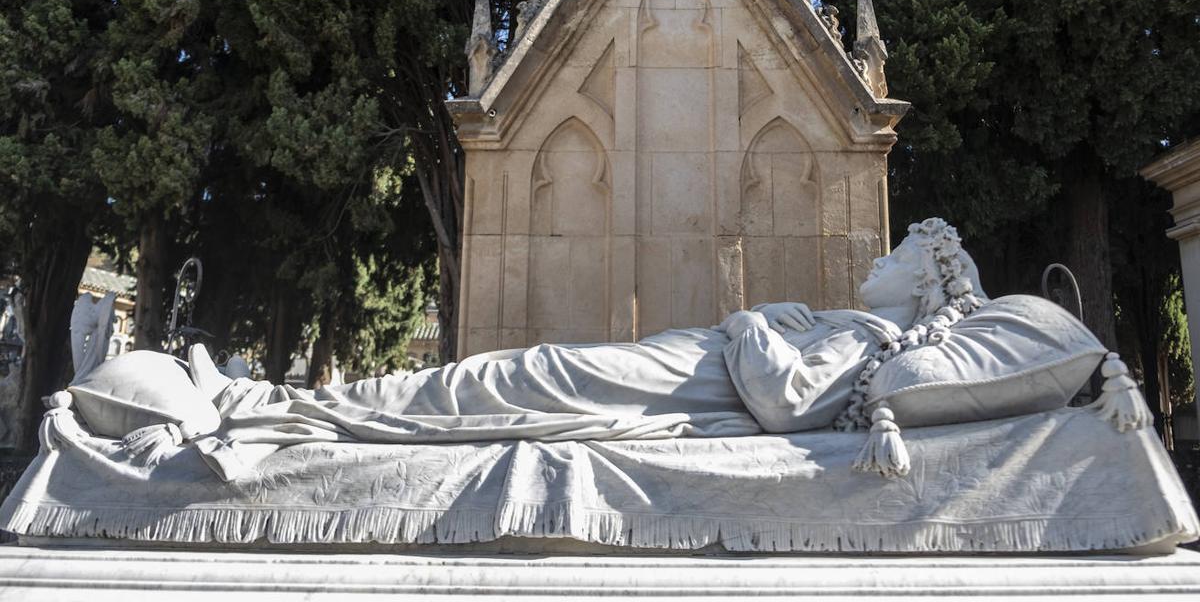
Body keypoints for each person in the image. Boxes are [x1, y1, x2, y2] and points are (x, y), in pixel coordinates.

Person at [182, 218, 986, 477]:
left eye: (896, 259)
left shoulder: (875, 335)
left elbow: (788, 403)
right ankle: (286, 405)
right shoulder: (857, 322)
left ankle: (279, 408)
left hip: (674, 387)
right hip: (676, 368)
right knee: (493, 377)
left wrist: (748, 323)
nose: (877, 260)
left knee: (505, 379)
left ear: (921, 289)